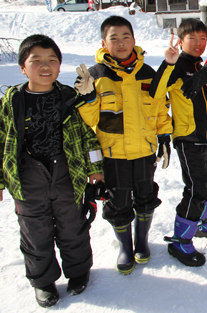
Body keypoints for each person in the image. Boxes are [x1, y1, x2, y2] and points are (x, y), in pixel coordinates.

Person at [0, 35, 104, 308]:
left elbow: (89, 136)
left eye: (52, 60)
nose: (45, 66)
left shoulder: (69, 98)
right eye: (36, 61)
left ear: (60, 67)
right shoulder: (12, 101)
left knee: (73, 226)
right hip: (27, 178)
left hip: (67, 175)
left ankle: (78, 270)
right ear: (23, 68)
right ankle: (43, 281)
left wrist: (95, 168)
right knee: (35, 233)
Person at [75, 15, 173, 275]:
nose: (120, 43)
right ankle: (125, 246)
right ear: (103, 43)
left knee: (145, 195)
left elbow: (160, 107)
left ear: (134, 40)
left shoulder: (147, 73)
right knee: (117, 201)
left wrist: (164, 137)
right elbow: (90, 119)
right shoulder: (96, 76)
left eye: (125, 37)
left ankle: (141, 241)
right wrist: (86, 97)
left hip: (143, 150)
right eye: (113, 38)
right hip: (112, 153)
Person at [150, 18, 207, 267]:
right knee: (195, 189)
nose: (198, 43)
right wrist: (168, 63)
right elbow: (157, 92)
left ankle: (201, 223)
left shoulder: (197, 65)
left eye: (203, 39)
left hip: (205, 137)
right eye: (192, 38)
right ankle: (180, 242)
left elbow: (191, 100)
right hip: (188, 140)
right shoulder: (178, 66)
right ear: (181, 41)